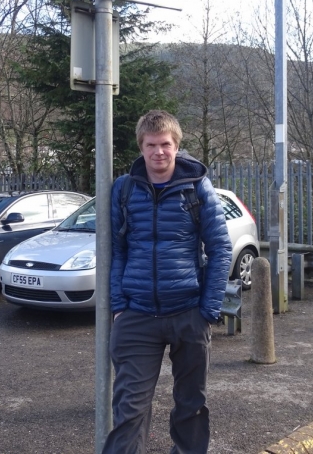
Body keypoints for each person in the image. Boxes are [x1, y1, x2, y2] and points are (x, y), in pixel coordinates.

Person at [102, 110, 232, 454]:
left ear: (176, 145)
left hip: (188, 312)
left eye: (165, 144)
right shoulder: (124, 188)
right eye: (151, 145)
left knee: (191, 405)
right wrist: (119, 306)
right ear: (141, 147)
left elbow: (220, 248)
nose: (158, 152)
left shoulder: (196, 186)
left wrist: (208, 308)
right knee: (129, 409)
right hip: (137, 315)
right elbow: (117, 250)